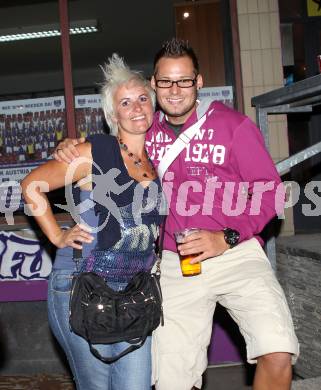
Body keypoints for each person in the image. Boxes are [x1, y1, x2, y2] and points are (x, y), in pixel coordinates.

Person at [54, 38, 299, 390]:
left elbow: (272, 194)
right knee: (172, 379)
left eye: (184, 80)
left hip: (237, 252)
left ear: (198, 82)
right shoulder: (142, 131)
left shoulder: (234, 126)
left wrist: (227, 237)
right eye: (166, 81)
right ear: (154, 84)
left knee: (277, 351)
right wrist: (70, 144)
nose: (175, 89)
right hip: (172, 262)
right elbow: (103, 149)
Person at [21, 54, 164, 390]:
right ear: (113, 115)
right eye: (125, 102)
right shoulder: (92, 151)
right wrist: (57, 236)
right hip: (82, 285)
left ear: (153, 105)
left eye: (143, 98)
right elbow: (32, 186)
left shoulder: (154, 161)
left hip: (135, 292)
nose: (136, 107)